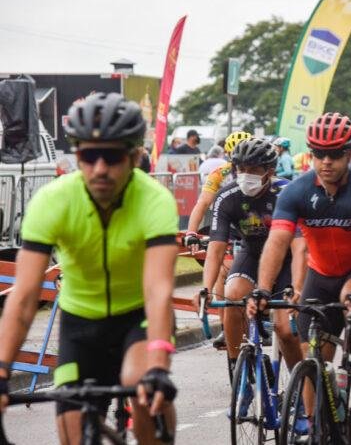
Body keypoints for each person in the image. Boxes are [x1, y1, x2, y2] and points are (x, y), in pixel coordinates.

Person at [0, 93, 178, 443]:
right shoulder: (53, 202)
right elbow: (24, 297)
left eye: (111, 156)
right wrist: (3, 368)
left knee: (141, 387)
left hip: (138, 317)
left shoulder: (155, 200)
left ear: (134, 157)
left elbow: (158, 290)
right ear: (76, 157)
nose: (99, 168)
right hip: (80, 324)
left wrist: (158, 366)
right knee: (73, 433)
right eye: (88, 155)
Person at [248, 112, 351, 423]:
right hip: (318, 277)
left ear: (349, 153)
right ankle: (316, 424)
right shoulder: (297, 191)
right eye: (319, 153)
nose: (326, 162)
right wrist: (263, 288)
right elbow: (278, 242)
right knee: (314, 361)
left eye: (334, 154)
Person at [202, 138, 301, 382]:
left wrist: (297, 287)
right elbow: (215, 249)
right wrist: (205, 289)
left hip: (286, 260)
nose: (246, 175)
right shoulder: (227, 197)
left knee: (285, 330)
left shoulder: (286, 193)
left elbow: (301, 249)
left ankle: (301, 384)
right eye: (241, 169)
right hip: (252, 254)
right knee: (233, 294)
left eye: (254, 169)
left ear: (270, 170)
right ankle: (238, 367)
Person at [183, 130, 253, 349]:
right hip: (226, 224)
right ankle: (226, 326)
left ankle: (254, 318)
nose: (240, 164)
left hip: (254, 223)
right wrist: (191, 232)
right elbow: (202, 203)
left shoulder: (260, 170)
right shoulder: (220, 173)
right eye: (234, 158)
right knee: (224, 270)